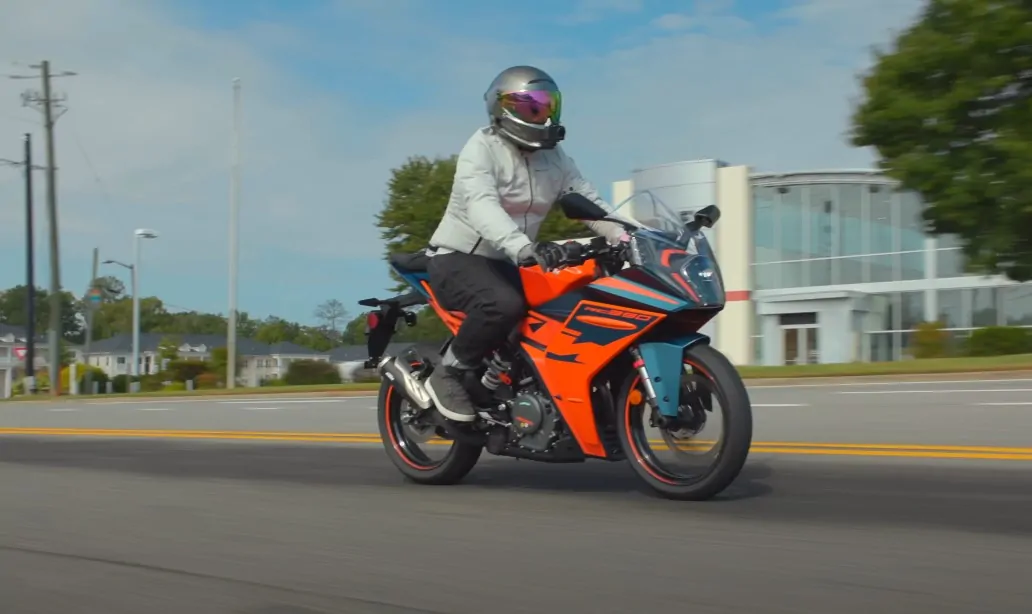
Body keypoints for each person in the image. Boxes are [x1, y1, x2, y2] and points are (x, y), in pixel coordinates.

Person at [422, 65, 627, 423]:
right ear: (507, 109)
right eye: (534, 107)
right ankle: (449, 373)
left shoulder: (556, 158)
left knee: (570, 304)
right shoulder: (481, 149)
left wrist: (629, 235)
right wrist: (521, 247)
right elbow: (482, 206)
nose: (544, 115)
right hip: (461, 257)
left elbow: (590, 204)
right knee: (503, 304)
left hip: (514, 258)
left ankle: (517, 387)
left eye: (548, 107)